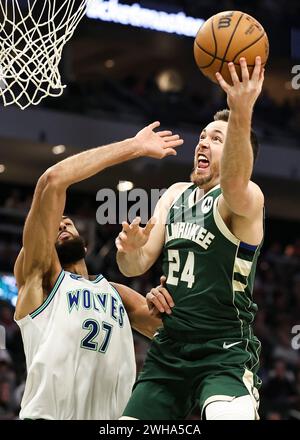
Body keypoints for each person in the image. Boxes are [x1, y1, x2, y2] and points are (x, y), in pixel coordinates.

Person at [116, 57, 265, 420]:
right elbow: (134, 265)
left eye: (217, 139)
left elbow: (233, 181)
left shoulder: (248, 199)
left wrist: (241, 109)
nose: (202, 143)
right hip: (169, 351)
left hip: (224, 352)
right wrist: (130, 251)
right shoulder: (175, 195)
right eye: (202, 136)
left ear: (237, 153)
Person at [13, 122, 183, 420]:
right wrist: (135, 146)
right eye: (54, 224)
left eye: (67, 221)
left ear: (86, 243)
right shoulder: (40, 279)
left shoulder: (116, 293)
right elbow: (53, 180)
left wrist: (167, 296)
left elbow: (169, 330)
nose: (61, 224)